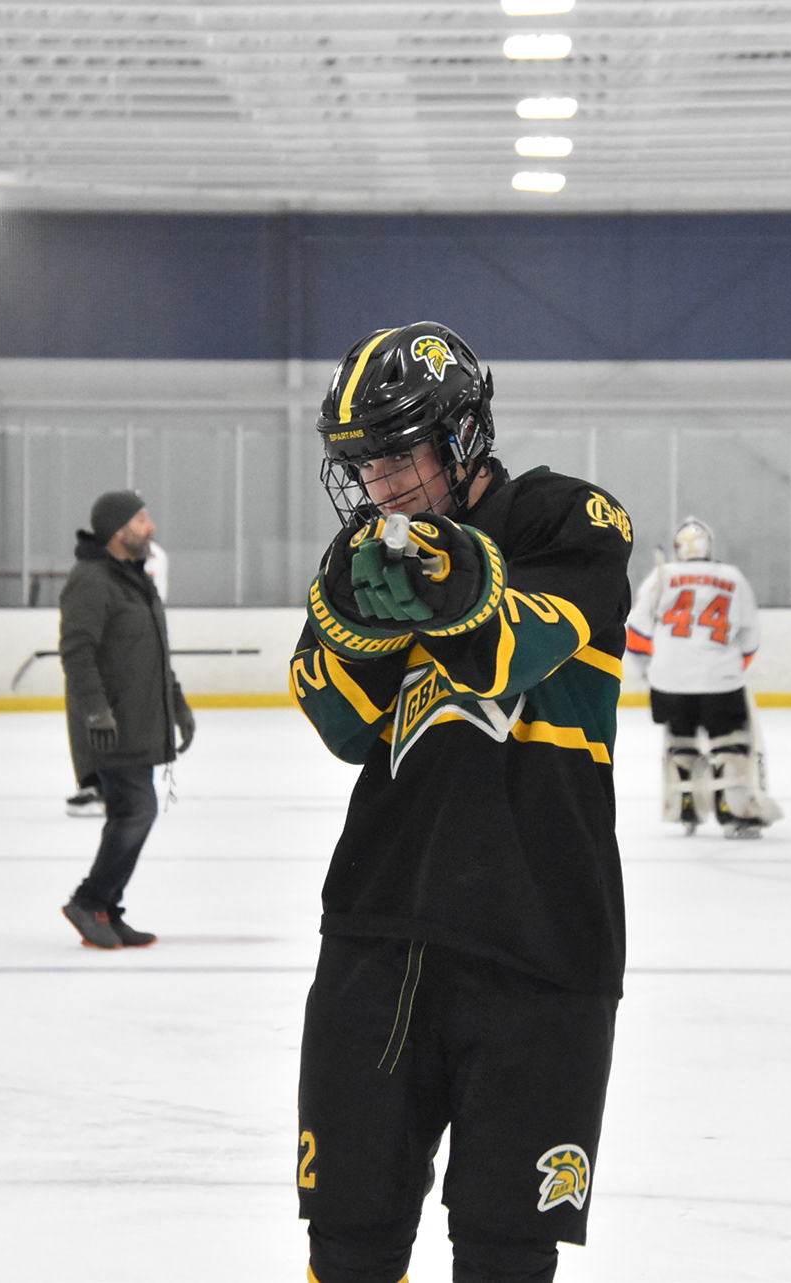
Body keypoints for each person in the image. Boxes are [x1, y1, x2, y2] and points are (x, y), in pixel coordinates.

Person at [289, 321, 632, 1283]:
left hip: (543, 943)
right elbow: (337, 719)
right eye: (363, 463)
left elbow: (514, 649)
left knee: (505, 1254)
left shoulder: (569, 520)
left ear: (463, 433)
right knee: (348, 1246)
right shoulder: (364, 557)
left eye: (399, 453)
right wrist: (351, 617)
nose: (381, 483)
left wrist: (448, 579)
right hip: (378, 929)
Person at [57, 490, 194, 949]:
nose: (150, 527)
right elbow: (77, 652)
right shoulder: (92, 581)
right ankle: (90, 901)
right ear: (117, 531)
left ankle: (105, 909)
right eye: (140, 520)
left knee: (131, 813)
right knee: (136, 811)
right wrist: (96, 710)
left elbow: (154, 651)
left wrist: (177, 704)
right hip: (111, 724)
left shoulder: (133, 578)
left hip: (138, 719)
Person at [625, 516, 778, 837]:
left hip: (668, 681)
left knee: (680, 741)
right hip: (721, 679)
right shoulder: (732, 577)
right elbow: (750, 637)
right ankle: (733, 809)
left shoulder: (661, 576)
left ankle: (686, 806)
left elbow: (636, 632)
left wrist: (649, 672)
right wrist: (733, 669)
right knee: (730, 744)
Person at [63, 539, 169, 818]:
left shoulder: (150, 556)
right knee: (89, 709)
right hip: (107, 644)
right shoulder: (97, 565)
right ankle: (94, 781)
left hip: (129, 643)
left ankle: (113, 784)